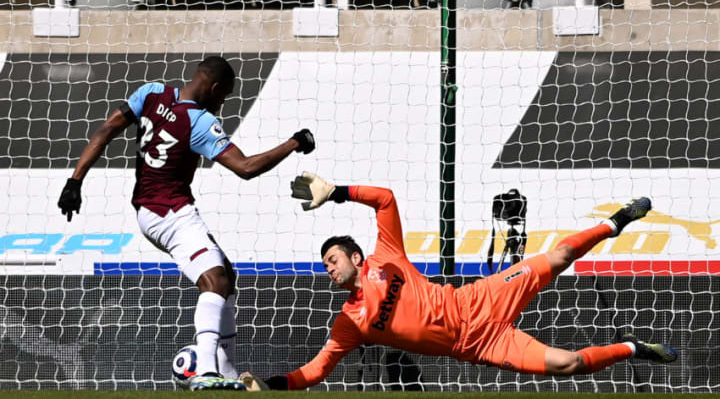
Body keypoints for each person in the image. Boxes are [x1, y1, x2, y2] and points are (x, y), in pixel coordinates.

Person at [240, 172, 677, 391]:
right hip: (478, 346)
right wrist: (271, 384)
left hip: (480, 300)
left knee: (561, 255)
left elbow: (385, 199)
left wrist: (336, 192)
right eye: (325, 266)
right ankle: (632, 348)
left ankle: (615, 222)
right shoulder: (349, 323)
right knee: (569, 365)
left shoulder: (386, 257)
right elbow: (315, 371)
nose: (329, 269)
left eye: (333, 259)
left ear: (356, 257)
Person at [57, 56, 316, 391]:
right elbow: (247, 167)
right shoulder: (199, 121)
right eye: (223, 98)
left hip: (149, 209)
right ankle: (205, 371)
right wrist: (294, 143)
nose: (222, 104)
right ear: (216, 88)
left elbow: (107, 129)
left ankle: (227, 370)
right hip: (170, 211)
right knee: (215, 280)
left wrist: (75, 181)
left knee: (227, 276)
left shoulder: (151, 93)